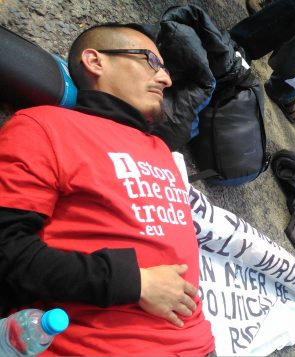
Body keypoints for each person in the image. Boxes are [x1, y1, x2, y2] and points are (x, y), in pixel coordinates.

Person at [0, 24, 214, 355]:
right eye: (151, 61)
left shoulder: (160, 150)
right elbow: (7, 251)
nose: (166, 79)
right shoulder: (44, 127)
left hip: (200, 344)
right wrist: (134, 283)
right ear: (95, 61)